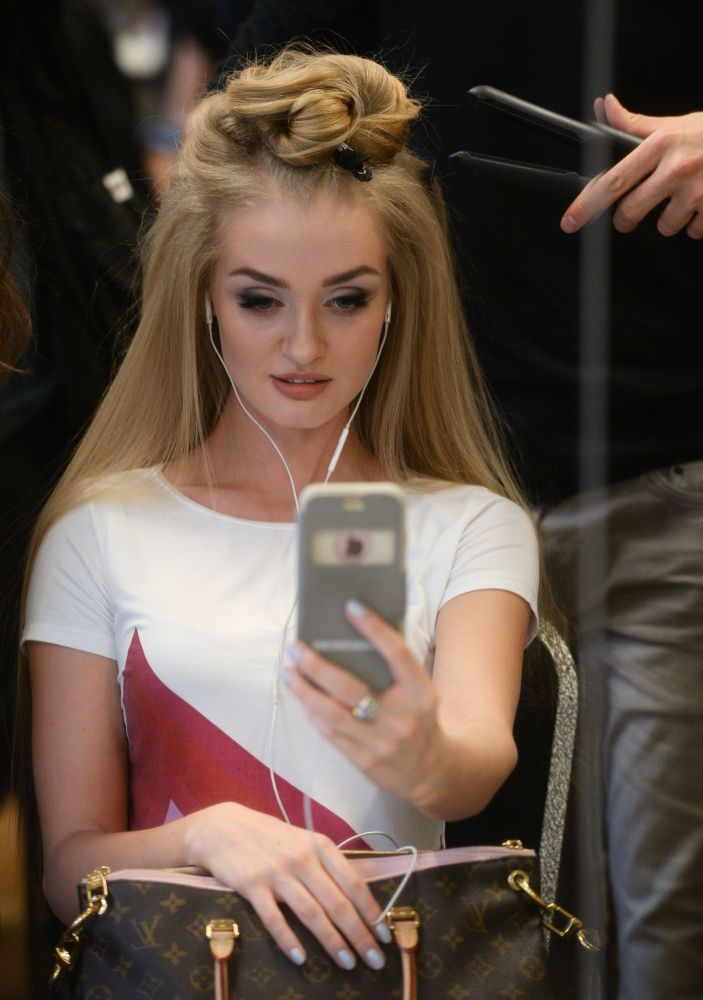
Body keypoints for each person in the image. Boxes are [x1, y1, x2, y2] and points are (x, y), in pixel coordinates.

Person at [21, 49, 539, 974]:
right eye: (259, 299)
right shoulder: (99, 531)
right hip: (183, 975)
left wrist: (422, 752)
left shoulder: (469, 525)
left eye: (347, 298)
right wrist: (205, 836)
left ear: (397, 300)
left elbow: (474, 764)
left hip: (390, 970)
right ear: (203, 298)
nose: (304, 345)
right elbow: (69, 873)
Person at [545, 98, 703, 1000]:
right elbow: (276, 55)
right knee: (479, 894)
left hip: (672, 477)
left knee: (665, 930)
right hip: (459, 478)